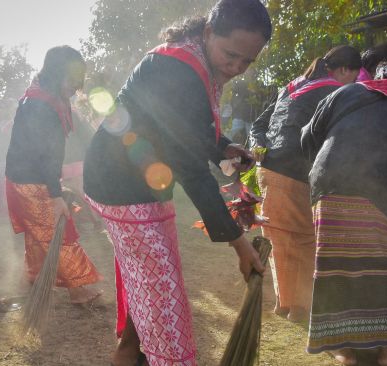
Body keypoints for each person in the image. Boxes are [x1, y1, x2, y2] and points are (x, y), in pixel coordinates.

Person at [83, 0, 271, 364]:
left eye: (247, 62)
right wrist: (239, 243)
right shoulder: (179, 69)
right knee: (164, 305)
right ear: (208, 32)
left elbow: (185, 128)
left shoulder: (192, 60)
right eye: (230, 55)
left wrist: (222, 146)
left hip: (137, 183)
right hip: (122, 188)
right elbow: (191, 168)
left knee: (151, 290)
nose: (235, 68)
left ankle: (131, 349)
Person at [301, 63, 387, 366]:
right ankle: (386, 351)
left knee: (333, 268)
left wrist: (322, 172)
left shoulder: (343, 93)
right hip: (382, 193)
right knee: (377, 268)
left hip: (330, 186)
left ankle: (344, 351)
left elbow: (308, 137)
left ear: (375, 80)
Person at [249, 45, 361, 322]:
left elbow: (257, 125)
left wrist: (258, 146)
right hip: (298, 171)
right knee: (305, 239)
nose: (354, 83)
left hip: (268, 169)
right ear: (344, 70)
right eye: (355, 76)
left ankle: (283, 303)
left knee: (277, 236)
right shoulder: (335, 92)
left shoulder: (291, 87)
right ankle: (299, 307)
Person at [5, 46, 102, 304]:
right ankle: (77, 290)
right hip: (31, 182)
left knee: (39, 233)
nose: (75, 88)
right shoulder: (44, 105)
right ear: (57, 73)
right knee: (59, 232)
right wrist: (56, 195)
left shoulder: (38, 97)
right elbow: (47, 155)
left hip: (22, 178)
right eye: (72, 81)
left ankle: (37, 278)